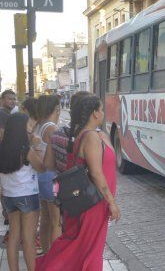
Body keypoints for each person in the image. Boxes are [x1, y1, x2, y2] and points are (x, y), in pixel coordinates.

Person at [36, 96, 121, 271]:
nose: (103, 112)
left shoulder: (91, 134)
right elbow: (97, 174)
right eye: (101, 109)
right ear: (95, 113)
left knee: (83, 247)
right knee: (89, 249)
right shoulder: (90, 137)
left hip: (92, 202)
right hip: (94, 202)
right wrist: (112, 202)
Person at [0, 113, 45, 271]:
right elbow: (41, 168)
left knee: (13, 237)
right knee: (28, 239)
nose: (30, 128)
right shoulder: (26, 149)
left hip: (9, 197)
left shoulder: (2, 149)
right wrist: (36, 147)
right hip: (27, 195)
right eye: (28, 125)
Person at [34, 95, 61, 253]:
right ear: (56, 109)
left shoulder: (39, 124)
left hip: (41, 178)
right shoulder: (52, 128)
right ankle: (55, 257)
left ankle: (46, 252)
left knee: (46, 218)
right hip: (52, 179)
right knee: (56, 221)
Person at [50, 91, 91, 173]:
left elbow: (48, 164)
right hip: (86, 184)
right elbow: (95, 173)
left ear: (70, 111)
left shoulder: (56, 134)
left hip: (63, 182)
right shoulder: (92, 137)